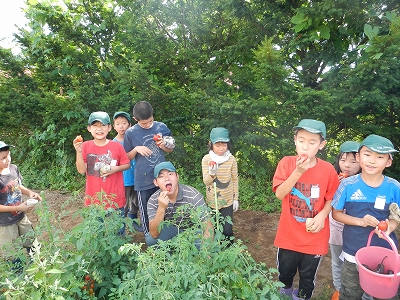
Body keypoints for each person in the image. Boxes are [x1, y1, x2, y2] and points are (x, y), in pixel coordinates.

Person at [272, 119, 340, 300]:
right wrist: (298, 172)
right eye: (301, 140)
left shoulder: (328, 170)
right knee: (284, 275)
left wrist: (322, 216)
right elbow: (280, 194)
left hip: (315, 238)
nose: (305, 146)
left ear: (321, 144)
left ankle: (302, 297)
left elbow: (331, 198)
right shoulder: (286, 163)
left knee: (307, 279)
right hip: (289, 236)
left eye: (312, 142)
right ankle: (284, 295)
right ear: (294, 140)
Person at [332, 134, 400, 300]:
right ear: (358, 156)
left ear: (388, 162)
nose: (372, 160)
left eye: (380, 157)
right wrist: (360, 221)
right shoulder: (347, 185)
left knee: (385, 295)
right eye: (367, 154)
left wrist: (389, 226)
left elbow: (396, 216)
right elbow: (336, 214)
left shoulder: (394, 187)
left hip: (384, 252)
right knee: (350, 293)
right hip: (353, 251)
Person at [123, 101, 175, 240]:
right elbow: (126, 157)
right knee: (146, 212)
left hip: (162, 179)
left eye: (150, 121)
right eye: (144, 123)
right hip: (143, 180)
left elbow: (171, 148)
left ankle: (166, 237)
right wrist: (136, 149)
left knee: (167, 209)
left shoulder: (161, 127)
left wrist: (164, 145)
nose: (148, 125)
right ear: (135, 120)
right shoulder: (131, 133)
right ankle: (149, 239)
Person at [329, 141, 372, 300]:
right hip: (336, 230)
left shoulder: (367, 182)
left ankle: (366, 294)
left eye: (353, 161)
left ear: (361, 161)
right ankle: (339, 290)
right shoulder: (333, 179)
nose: (347, 165)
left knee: (362, 266)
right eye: (342, 160)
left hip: (358, 233)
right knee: (337, 262)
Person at [73, 111, 130, 217]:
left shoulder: (117, 146)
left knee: (117, 231)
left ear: (109, 128)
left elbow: (127, 164)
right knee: (96, 232)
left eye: (103, 125)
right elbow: (81, 170)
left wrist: (114, 169)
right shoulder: (85, 146)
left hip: (115, 199)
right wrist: (79, 151)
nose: (99, 129)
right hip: (93, 200)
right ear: (89, 128)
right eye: (95, 125)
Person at [146, 161, 213, 247]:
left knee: (211, 245)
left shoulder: (193, 196)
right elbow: (154, 233)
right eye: (161, 176)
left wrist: (205, 250)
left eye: (170, 174)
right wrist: (161, 208)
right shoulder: (153, 200)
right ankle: (169, 255)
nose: (167, 178)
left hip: (192, 232)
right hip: (171, 233)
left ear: (177, 177)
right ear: (156, 182)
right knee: (151, 240)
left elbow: (208, 226)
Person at [0, 141, 42, 264]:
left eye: (8, 155)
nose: (7, 159)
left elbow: (18, 185)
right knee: (11, 251)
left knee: (31, 241)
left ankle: (36, 265)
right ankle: (18, 275)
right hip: (5, 223)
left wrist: (30, 193)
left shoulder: (13, 168)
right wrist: (18, 207)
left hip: (21, 216)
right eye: (3, 158)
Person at [201, 127, 238, 243]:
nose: (221, 148)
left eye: (224, 145)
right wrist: (212, 173)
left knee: (227, 230)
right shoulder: (207, 159)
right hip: (213, 201)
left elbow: (235, 179)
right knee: (214, 228)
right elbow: (206, 182)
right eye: (218, 145)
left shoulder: (231, 159)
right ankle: (215, 252)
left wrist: (236, 198)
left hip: (227, 201)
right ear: (211, 144)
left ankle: (228, 251)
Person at [112, 111, 142, 232]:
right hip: (122, 179)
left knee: (136, 203)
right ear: (113, 126)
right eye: (118, 124)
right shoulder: (113, 143)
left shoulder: (135, 140)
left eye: (124, 123)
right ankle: (121, 229)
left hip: (137, 177)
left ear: (129, 125)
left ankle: (134, 222)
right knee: (122, 205)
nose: (121, 126)